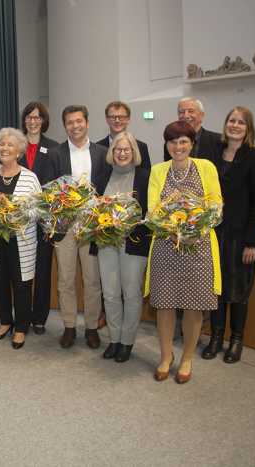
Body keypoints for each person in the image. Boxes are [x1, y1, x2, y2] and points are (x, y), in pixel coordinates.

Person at [146, 120, 222, 384]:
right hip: (166, 246)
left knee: (194, 307)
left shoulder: (206, 167)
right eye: (172, 141)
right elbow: (152, 209)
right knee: (164, 305)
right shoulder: (158, 171)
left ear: (191, 144)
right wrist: (172, 221)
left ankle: (187, 358)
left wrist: (195, 223)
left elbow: (216, 205)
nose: (177, 146)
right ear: (166, 145)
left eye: (183, 141)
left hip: (198, 248)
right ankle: (166, 357)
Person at [201, 107, 255, 363]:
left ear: (248, 128)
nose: (235, 125)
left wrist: (252, 242)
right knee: (216, 288)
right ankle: (216, 337)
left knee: (238, 291)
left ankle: (236, 340)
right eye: (231, 120)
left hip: (241, 238)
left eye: (241, 122)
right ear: (225, 124)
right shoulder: (212, 155)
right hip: (214, 234)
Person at [49, 105, 107, 349]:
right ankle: (70, 326)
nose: (75, 126)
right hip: (65, 227)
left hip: (92, 226)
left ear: (87, 123)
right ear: (65, 126)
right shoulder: (55, 154)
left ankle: (92, 327)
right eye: (70, 122)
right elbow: (48, 190)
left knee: (93, 280)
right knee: (65, 280)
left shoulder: (103, 153)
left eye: (79, 121)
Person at [0, 128, 41, 349]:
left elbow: (38, 211)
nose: (5, 148)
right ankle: (6, 321)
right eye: (2, 144)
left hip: (21, 241)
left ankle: (21, 327)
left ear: (19, 151)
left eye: (10, 145)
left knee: (22, 284)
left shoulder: (30, 177)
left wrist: (16, 210)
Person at [93, 131, 150, 362]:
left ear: (134, 151)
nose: (122, 153)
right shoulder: (103, 175)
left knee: (131, 293)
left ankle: (127, 342)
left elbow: (149, 213)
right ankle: (114, 339)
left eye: (126, 149)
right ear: (112, 152)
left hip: (134, 244)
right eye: (118, 149)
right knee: (110, 293)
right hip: (106, 243)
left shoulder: (145, 176)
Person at [19, 101, 57, 335]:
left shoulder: (54, 148)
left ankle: (39, 317)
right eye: (29, 117)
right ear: (24, 120)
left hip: (44, 219)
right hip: (20, 219)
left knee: (43, 270)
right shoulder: (14, 145)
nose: (33, 121)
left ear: (44, 121)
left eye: (38, 117)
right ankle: (21, 314)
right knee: (20, 269)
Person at [163, 97, 221, 161]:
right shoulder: (171, 142)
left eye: (191, 111)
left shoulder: (218, 141)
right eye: (182, 112)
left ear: (202, 115)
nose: (186, 116)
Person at [96, 101, 151, 169]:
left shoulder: (141, 147)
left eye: (121, 117)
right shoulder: (97, 147)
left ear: (128, 119)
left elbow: (146, 175)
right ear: (107, 119)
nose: (117, 120)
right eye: (113, 117)